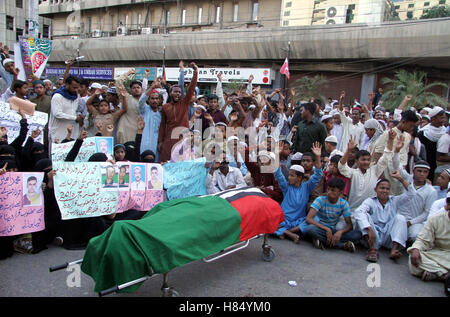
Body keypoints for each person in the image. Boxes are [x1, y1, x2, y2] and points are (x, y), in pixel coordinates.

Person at [354, 171, 415, 262]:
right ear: (375, 189)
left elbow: (412, 194)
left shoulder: (394, 200)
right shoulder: (370, 201)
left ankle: (394, 249)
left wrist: (401, 179)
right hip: (373, 236)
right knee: (363, 215)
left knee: (400, 218)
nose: (385, 191)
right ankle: (372, 249)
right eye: (382, 188)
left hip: (388, 236)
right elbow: (359, 211)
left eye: (387, 189)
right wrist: (369, 229)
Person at [272, 142, 323, 243]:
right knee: (269, 218)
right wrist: (277, 155)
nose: (289, 177)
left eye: (292, 175)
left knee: (315, 219)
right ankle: (289, 234)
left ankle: (286, 232)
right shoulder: (286, 187)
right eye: (289, 175)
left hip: (297, 222)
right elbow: (278, 173)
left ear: (299, 177)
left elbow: (318, 175)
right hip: (284, 220)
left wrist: (317, 157)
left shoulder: (307, 186)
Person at [338, 130, 395, 214]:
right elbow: (341, 166)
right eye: (363, 160)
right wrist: (348, 150)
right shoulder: (353, 173)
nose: (366, 162)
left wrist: (390, 140)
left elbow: (386, 157)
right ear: (357, 161)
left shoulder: (375, 171)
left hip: (370, 212)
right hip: (352, 211)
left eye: (368, 160)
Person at [305, 177, 361, 252]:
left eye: (333, 191)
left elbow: (349, 225)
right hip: (320, 227)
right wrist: (326, 229)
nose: (329, 192)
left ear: (340, 193)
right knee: (310, 229)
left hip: (334, 229)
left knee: (358, 234)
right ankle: (342, 245)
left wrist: (340, 232)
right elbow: (309, 219)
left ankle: (322, 241)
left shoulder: (343, 203)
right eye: (328, 189)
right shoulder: (320, 199)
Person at [158, 62, 198, 162]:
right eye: (175, 91)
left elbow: (191, 88)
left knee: (182, 164)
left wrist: (195, 72)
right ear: (170, 93)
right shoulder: (165, 107)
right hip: (169, 139)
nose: (178, 94)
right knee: (166, 163)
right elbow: (162, 125)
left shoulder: (184, 103)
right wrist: (160, 142)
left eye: (179, 92)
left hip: (183, 139)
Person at [407, 197, 450, 282]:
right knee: (414, 259)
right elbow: (422, 239)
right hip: (436, 254)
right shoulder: (435, 219)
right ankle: (445, 275)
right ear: (448, 205)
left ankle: (437, 274)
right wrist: (416, 249)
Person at [395, 160, 438, 242]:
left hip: (416, 222)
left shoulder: (431, 191)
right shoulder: (407, 179)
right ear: (413, 171)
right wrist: (396, 151)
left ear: (428, 173)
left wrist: (410, 222)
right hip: (400, 217)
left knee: (414, 236)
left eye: (425, 172)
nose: (422, 174)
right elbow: (397, 165)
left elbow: (426, 213)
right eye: (419, 171)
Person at [49, 76, 83, 145]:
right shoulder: (57, 96)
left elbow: (75, 111)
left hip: (72, 132)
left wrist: (79, 116)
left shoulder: (76, 97)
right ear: (67, 85)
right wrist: (75, 118)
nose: (76, 90)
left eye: (77, 87)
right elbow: (57, 114)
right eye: (74, 87)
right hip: (58, 132)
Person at [417, 106, 446, 181]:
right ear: (433, 119)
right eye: (442, 118)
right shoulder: (423, 133)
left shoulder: (445, 132)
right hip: (426, 166)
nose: (444, 120)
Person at [115, 70, 144, 144]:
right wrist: (127, 74)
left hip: (138, 132)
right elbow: (118, 82)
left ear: (142, 90)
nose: (136, 89)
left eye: (138, 87)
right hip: (125, 132)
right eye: (134, 88)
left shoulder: (145, 102)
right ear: (130, 90)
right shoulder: (126, 97)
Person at [138, 79, 162, 162]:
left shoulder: (161, 114)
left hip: (156, 145)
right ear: (148, 100)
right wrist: (152, 87)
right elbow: (141, 101)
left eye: (156, 98)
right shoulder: (144, 110)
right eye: (152, 98)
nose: (154, 101)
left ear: (159, 100)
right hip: (144, 143)